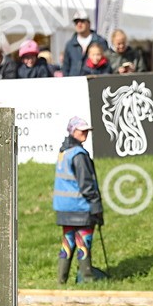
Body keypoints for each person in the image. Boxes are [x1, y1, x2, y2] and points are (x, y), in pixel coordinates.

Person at [53, 116, 107, 284]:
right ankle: (87, 279)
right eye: (81, 130)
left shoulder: (64, 151)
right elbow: (87, 184)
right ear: (72, 131)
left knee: (68, 243)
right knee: (84, 242)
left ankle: (61, 280)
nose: (85, 133)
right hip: (80, 207)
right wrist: (96, 207)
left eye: (86, 130)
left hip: (64, 209)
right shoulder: (79, 154)